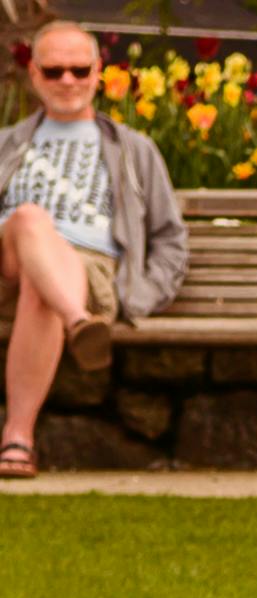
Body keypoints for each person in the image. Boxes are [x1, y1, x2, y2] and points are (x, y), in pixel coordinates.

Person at [0, 19, 183, 481]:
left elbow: (169, 238)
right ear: (35, 75)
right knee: (29, 218)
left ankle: (18, 438)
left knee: (42, 289)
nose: (68, 81)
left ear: (99, 73)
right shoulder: (6, 145)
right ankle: (80, 324)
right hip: (7, 263)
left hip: (91, 271)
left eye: (79, 70)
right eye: (55, 71)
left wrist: (144, 293)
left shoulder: (134, 149)